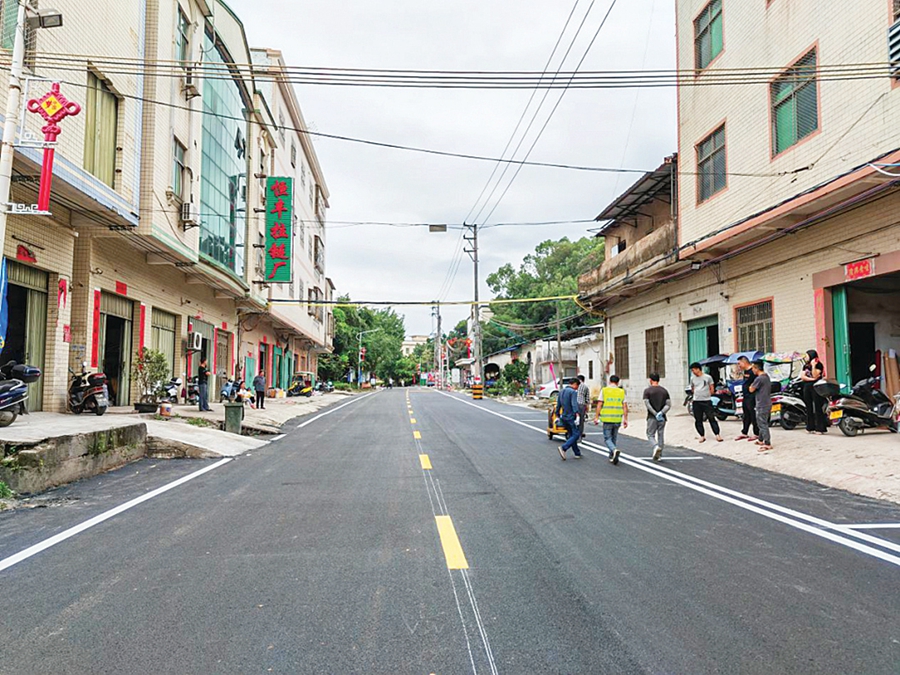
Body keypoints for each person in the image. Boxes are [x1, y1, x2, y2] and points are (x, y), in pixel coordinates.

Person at [594, 375, 628, 465]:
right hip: (617, 418)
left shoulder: (604, 390)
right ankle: (612, 455)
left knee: (607, 438)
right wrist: (625, 419)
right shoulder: (621, 391)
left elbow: (599, 404)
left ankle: (613, 450)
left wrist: (596, 417)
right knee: (614, 437)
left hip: (607, 418)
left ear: (609, 381)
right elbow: (625, 406)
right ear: (618, 382)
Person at [690, 362, 723, 443]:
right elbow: (693, 388)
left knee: (711, 417)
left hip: (706, 401)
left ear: (698, 369)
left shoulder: (708, 377)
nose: (693, 372)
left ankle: (717, 434)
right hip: (696, 401)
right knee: (698, 419)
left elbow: (712, 388)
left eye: (693, 370)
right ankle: (702, 435)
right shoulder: (692, 378)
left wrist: (708, 395)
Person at [643, 373, 670, 462]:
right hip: (662, 417)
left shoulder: (647, 391)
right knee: (661, 435)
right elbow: (668, 405)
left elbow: (647, 404)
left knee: (650, 434)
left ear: (650, 380)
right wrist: (661, 413)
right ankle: (660, 455)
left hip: (652, 417)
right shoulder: (664, 391)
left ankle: (655, 446)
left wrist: (655, 413)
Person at [800, 349, 827, 434]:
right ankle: (810, 427)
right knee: (808, 407)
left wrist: (813, 366)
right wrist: (812, 379)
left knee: (818, 406)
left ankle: (820, 428)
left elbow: (816, 374)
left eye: (807, 356)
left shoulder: (819, 365)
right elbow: (803, 377)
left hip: (816, 387)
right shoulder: (805, 366)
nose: (806, 357)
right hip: (807, 386)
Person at [555, 378, 583, 460]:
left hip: (564, 416)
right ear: (575, 384)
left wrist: (557, 414)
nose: (577, 388)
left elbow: (558, 404)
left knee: (571, 434)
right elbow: (574, 404)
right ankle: (564, 447)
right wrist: (577, 414)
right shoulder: (573, 392)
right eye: (577, 386)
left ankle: (577, 452)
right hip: (571, 416)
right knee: (576, 434)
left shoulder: (561, 391)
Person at [749, 360, 773, 451]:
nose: (752, 370)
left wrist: (750, 385)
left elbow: (751, 389)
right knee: (762, 422)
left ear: (756, 368)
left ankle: (767, 443)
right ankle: (760, 439)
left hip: (761, 404)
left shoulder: (759, 379)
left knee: (762, 424)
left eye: (753, 368)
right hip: (767, 402)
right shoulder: (766, 377)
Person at [734, 355, 759, 441]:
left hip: (752, 396)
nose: (738, 365)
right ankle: (744, 432)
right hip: (745, 396)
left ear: (744, 362)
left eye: (739, 363)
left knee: (753, 415)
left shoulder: (753, 371)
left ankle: (757, 433)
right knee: (746, 415)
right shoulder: (745, 371)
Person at [576, 374, 591, 440]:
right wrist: (587, 408)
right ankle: (580, 435)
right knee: (581, 421)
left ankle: (572, 434)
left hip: (574, 404)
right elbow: (587, 399)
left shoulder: (575, 386)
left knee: (573, 419)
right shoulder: (585, 387)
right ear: (583, 380)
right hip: (582, 405)